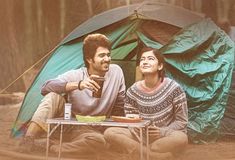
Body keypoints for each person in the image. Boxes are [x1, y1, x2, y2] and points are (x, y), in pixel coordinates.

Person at [19, 33, 126, 154]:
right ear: (89, 59)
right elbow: (45, 88)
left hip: (95, 129)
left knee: (98, 141)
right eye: (102, 55)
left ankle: (51, 146)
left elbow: (119, 105)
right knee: (52, 96)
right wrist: (78, 85)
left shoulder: (116, 72)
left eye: (108, 55)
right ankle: (28, 139)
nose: (107, 59)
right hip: (73, 125)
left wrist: (114, 131)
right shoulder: (75, 75)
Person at [104, 47, 188, 160]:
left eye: (150, 58)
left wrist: (161, 132)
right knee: (110, 133)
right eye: (142, 59)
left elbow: (181, 121)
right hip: (140, 136)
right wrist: (140, 130)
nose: (145, 61)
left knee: (181, 138)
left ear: (160, 66)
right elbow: (131, 120)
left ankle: (139, 152)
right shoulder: (133, 91)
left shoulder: (174, 89)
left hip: (164, 135)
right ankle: (154, 156)